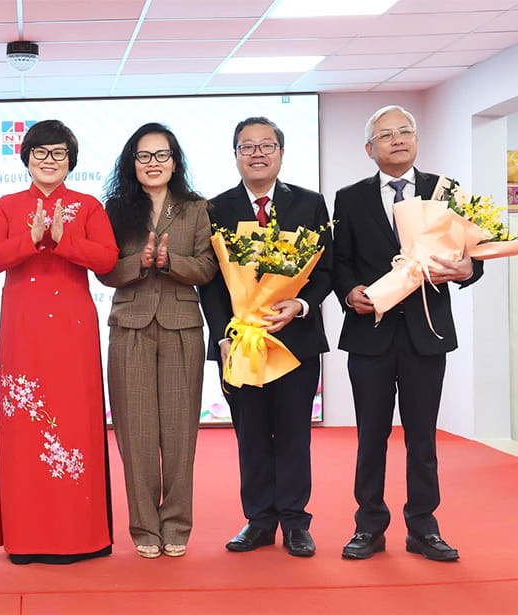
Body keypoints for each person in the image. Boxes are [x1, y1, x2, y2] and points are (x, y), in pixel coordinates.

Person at [332, 105, 481, 562]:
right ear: (369, 149)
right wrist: (349, 292)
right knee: (370, 437)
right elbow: (340, 261)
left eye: (405, 131)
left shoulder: (445, 191)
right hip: (370, 333)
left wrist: (468, 269)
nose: (397, 139)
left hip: (426, 333)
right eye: (386, 134)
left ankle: (423, 527)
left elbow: (472, 254)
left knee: (422, 438)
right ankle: (368, 527)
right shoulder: (349, 197)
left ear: (416, 139)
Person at [0, 120, 118, 564]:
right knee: (25, 430)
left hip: (73, 332)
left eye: (58, 153)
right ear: (26, 158)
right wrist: (31, 238)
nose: (49, 160)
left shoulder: (88, 206)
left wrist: (63, 239)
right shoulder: (7, 206)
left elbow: (107, 260)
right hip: (23, 330)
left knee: (77, 421)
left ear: (71, 160)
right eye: (40, 152)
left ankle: (83, 536)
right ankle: (28, 537)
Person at [198, 117, 332, 558]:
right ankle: (258, 521)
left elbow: (326, 270)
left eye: (266, 145)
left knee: (294, 434)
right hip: (240, 344)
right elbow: (211, 283)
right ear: (236, 154)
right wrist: (223, 335)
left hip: (294, 341)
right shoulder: (214, 209)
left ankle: (295, 522)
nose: (257, 153)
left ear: (281, 152)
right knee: (251, 435)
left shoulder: (310, 204)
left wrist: (301, 304)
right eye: (247, 146)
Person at [98, 122, 217, 559]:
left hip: (182, 326)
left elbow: (208, 267)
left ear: (175, 161)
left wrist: (171, 262)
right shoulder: (115, 209)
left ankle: (177, 524)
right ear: (132, 163)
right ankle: (145, 526)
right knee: (136, 433)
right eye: (144, 156)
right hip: (129, 324)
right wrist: (139, 262)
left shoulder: (197, 208)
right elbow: (104, 269)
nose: (153, 163)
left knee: (181, 434)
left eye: (161, 155)